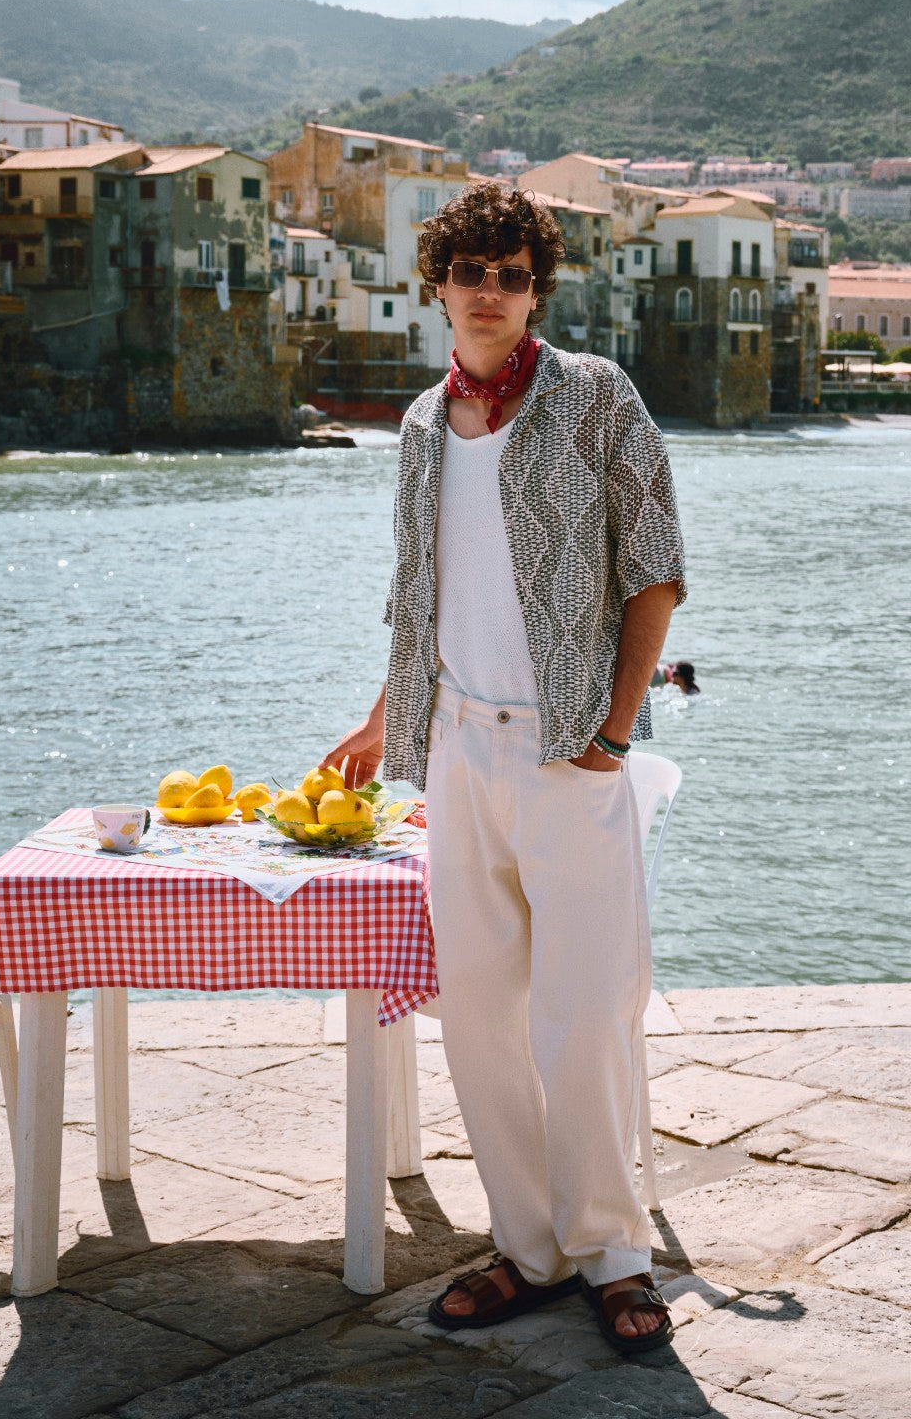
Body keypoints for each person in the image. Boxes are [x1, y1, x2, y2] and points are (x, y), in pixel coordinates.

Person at [322, 183, 686, 1354]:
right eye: (471, 271)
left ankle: (615, 1255)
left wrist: (613, 734)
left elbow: (656, 570)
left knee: (588, 1015)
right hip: (457, 751)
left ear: (537, 292)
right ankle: (531, 1249)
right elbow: (417, 594)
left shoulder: (595, 397)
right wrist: (384, 718)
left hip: (568, 748)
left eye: (512, 275)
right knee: (480, 1016)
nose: (490, 291)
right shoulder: (422, 424)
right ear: (438, 284)